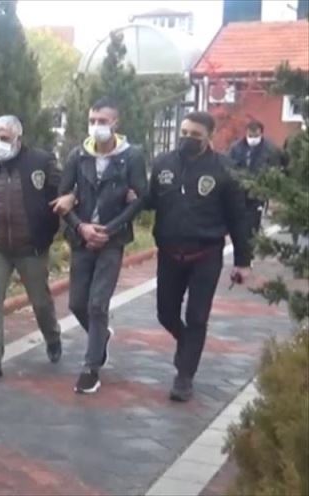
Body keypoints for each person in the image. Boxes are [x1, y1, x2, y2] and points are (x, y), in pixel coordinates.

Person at [147, 111, 251, 402]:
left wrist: (243, 261)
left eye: (195, 135)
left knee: (197, 316)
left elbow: (238, 217)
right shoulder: (163, 163)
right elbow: (151, 199)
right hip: (169, 252)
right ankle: (188, 345)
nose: (187, 139)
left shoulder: (224, 169)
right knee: (166, 313)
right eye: (184, 133)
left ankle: (185, 376)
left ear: (209, 137)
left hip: (206, 253)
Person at [50, 97, 148, 394]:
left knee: (97, 303)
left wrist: (110, 228)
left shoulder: (131, 156)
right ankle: (101, 336)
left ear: (115, 123)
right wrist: (81, 226)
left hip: (111, 240)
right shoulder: (78, 155)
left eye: (102, 121)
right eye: (92, 120)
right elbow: (62, 199)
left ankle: (91, 368)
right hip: (82, 237)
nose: (96, 126)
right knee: (77, 303)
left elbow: (140, 198)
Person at [0, 115, 62, 382]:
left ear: (18, 138)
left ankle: (52, 336)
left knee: (40, 301)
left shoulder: (40, 162)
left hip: (30, 247)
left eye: (4, 138)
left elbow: (62, 195)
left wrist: (61, 231)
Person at [228, 120, 284, 236]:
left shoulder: (271, 149)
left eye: (256, 135)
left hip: (259, 191)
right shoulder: (236, 148)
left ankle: (252, 239)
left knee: (253, 221)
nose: (253, 138)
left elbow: (276, 169)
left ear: (261, 133)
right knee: (238, 221)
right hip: (239, 190)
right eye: (250, 135)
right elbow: (229, 166)